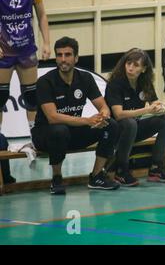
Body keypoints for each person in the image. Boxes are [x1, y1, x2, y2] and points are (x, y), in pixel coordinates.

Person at [31, 37, 120, 195]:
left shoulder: (85, 78)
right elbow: (52, 117)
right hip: (45, 134)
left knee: (111, 125)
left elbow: (103, 106)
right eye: (59, 55)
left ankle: (96, 176)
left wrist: (103, 115)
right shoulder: (45, 82)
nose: (63, 59)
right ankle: (57, 178)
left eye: (67, 54)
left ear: (76, 58)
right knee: (60, 130)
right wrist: (87, 120)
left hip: (72, 132)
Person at [105, 48, 165, 187]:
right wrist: (147, 109)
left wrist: (159, 108)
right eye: (128, 63)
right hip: (117, 131)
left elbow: (154, 102)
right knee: (130, 123)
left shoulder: (144, 82)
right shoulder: (115, 83)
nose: (130, 68)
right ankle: (121, 171)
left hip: (134, 128)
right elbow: (118, 114)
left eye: (136, 65)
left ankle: (156, 168)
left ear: (143, 69)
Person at [0, 0, 50, 134]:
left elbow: (42, 15)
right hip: (4, 53)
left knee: (31, 97)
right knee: (0, 97)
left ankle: (34, 137)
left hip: (26, 50)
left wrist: (46, 42)